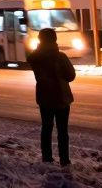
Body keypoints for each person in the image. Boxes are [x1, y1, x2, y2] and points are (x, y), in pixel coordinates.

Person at [27, 27, 76, 166]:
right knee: (62, 130)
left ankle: (47, 157)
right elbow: (71, 76)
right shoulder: (60, 57)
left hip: (44, 96)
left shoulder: (35, 58)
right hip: (61, 96)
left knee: (46, 128)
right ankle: (64, 159)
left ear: (40, 40)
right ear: (54, 40)